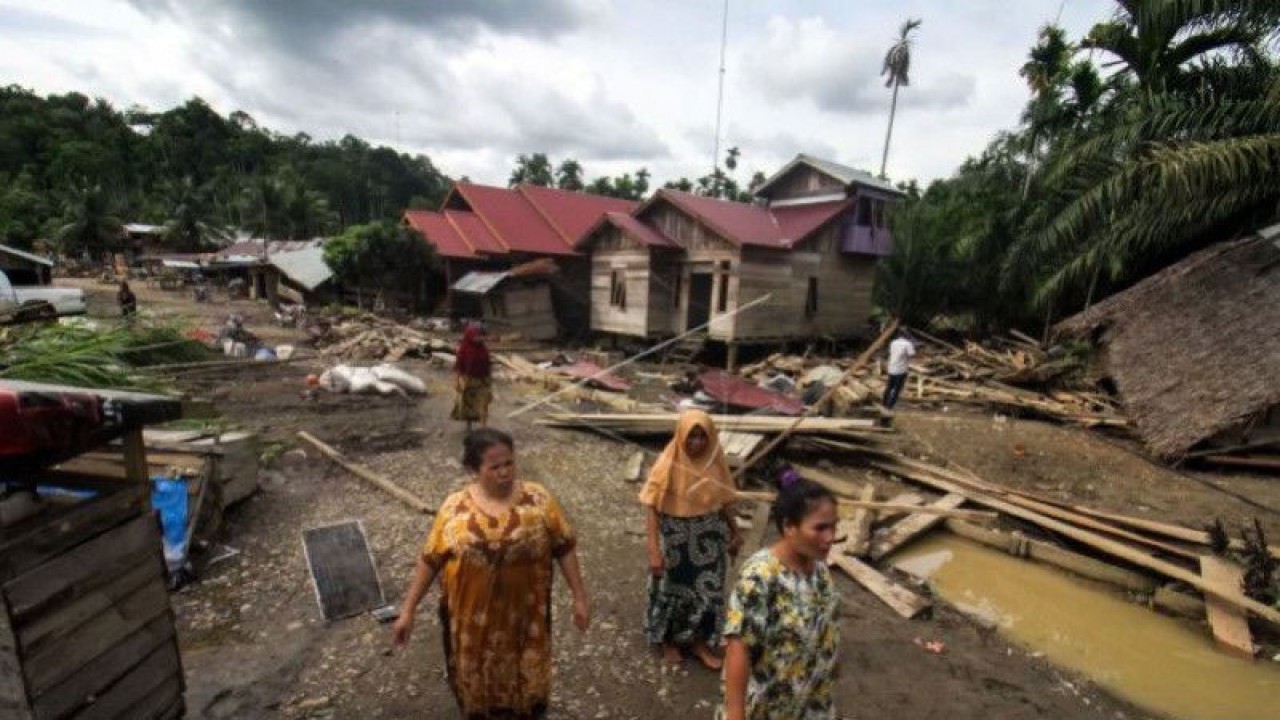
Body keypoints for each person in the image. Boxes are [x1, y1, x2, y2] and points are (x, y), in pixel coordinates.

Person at [392, 428, 590, 719]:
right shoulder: (454, 508)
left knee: (527, 690)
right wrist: (407, 610)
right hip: (471, 625)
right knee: (476, 688)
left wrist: (579, 597)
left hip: (525, 620)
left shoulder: (538, 500)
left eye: (509, 463)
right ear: (475, 469)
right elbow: (430, 559)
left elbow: (565, 547)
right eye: (494, 466)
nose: (504, 472)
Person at [722, 479, 840, 720]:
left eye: (833, 527)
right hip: (768, 707)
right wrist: (736, 715)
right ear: (789, 526)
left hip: (810, 703)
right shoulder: (761, 576)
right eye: (820, 528)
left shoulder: (820, 571)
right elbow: (740, 648)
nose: (830, 537)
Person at [639, 410, 742, 669]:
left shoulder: (714, 462)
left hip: (710, 539)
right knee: (672, 589)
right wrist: (653, 549)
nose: (697, 443)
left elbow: (725, 500)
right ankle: (669, 640)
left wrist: (735, 531)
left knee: (708, 591)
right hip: (675, 539)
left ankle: (698, 641)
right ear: (681, 436)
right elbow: (651, 506)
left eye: (702, 437)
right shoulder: (668, 463)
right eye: (692, 436)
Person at [451, 323, 492, 431]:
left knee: (483, 403)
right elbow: (459, 366)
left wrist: (489, 379)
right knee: (467, 404)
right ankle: (468, 426)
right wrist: (457, 381)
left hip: (482, 380)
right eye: (477, 336)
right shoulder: (464, 349)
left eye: (480, 336)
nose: (479, 338)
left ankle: (483, 427)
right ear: (469, 336)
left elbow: (487, 365)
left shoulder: (483, 349)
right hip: (467, 380)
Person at [882, 329, 916, 409]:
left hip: (891, 368)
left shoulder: (893, 342)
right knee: (897, 389)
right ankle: (890, 406)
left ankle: (884, 403)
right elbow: (912, 354)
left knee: (889, 387)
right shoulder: (908, 344)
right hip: (901, 370)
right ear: (907, 336)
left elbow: (891, 352)